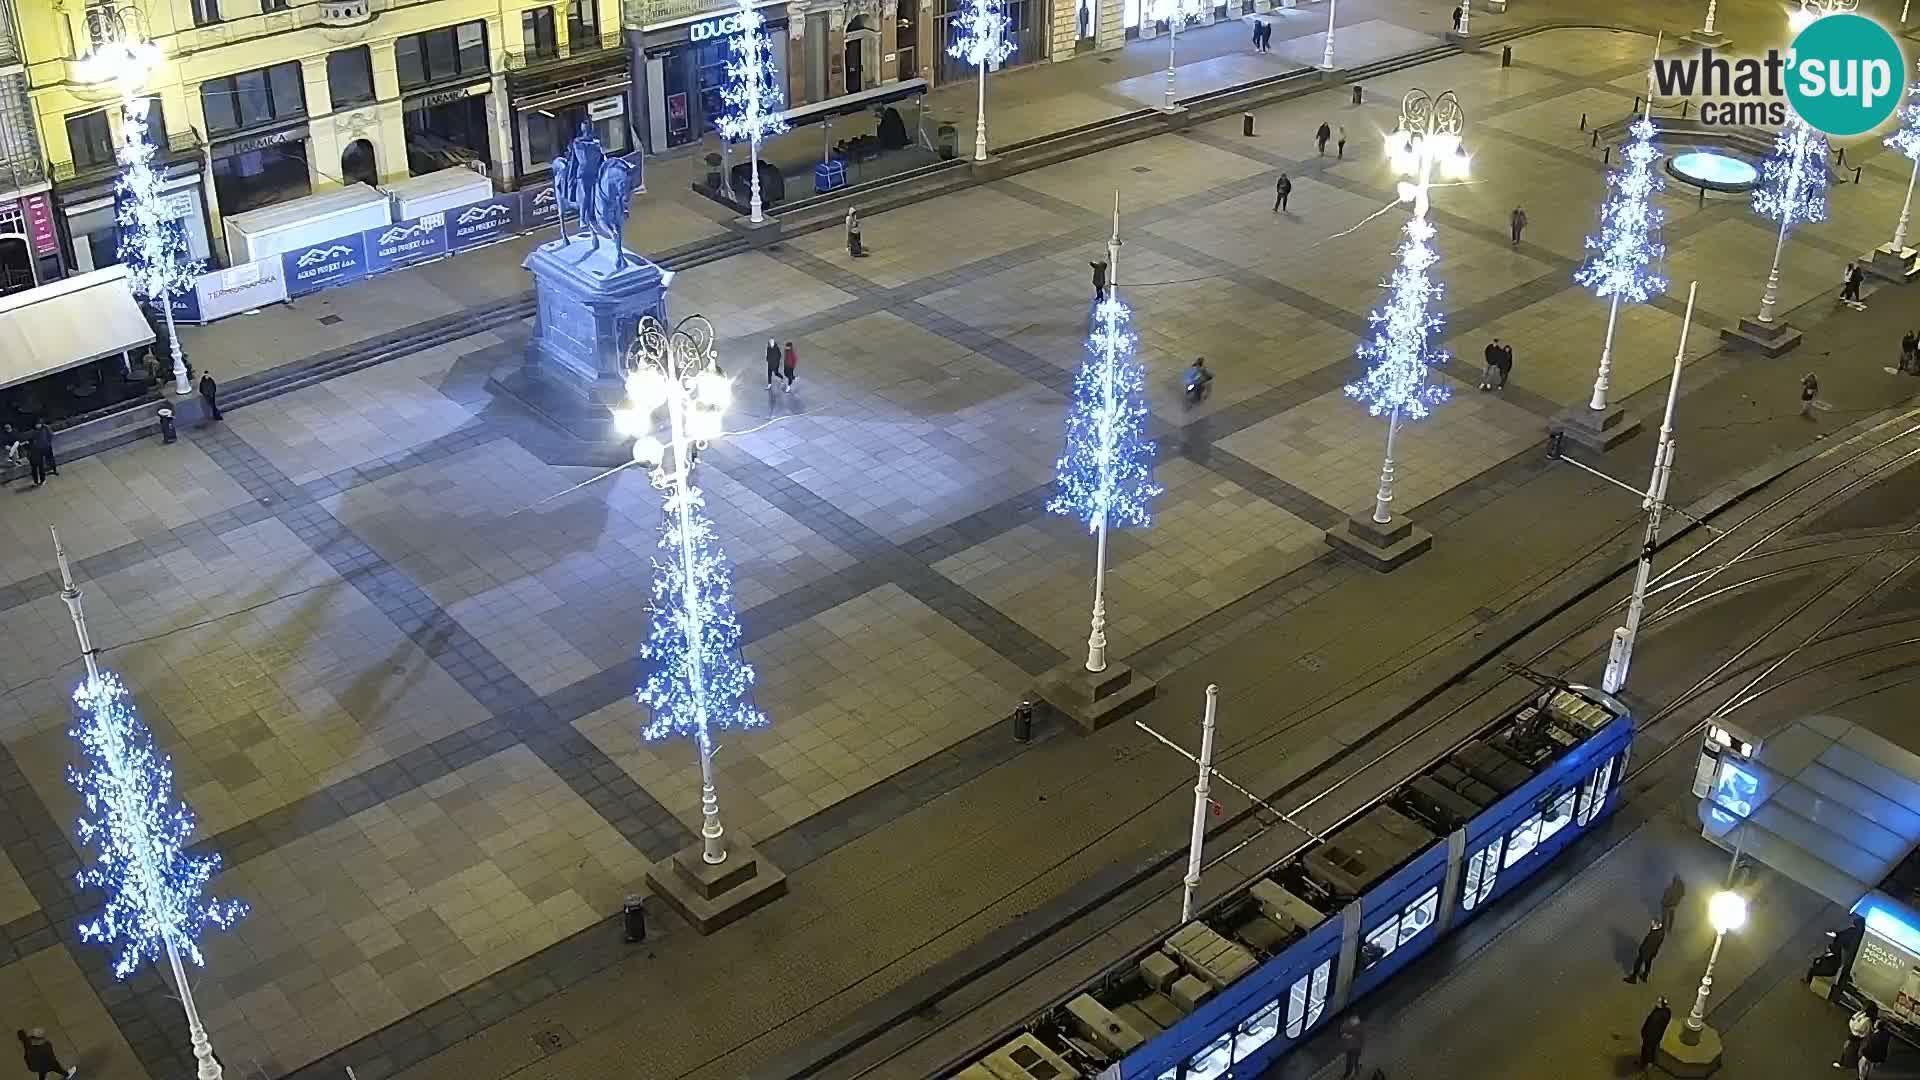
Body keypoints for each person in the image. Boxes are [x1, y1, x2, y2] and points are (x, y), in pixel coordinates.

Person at [1838, 1004, 1875, 1069]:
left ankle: (1844, 1062)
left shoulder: (1867, 1020)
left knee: (1849, 1048)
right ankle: (1846, 1062)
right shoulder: (1860, 1014)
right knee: (1850, 1048)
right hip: (1853, 1033)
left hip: (1857, 1036)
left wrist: (1860, 1035)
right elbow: (1853, 1019)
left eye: (1864, 1007)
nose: (1862, 1007)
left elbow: (1867, 1031)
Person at [1638, 997, 1671, 1069]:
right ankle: (1646, 1061)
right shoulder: (1666, 1011)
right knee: (1651, 1049)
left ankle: (1646, 1063)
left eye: (1658, 1002)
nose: (1656, 1003)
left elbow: (1651, 1027)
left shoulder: (1656, 1016)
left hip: (1650, 1037)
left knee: (1648, 1049)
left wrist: (1645, 1033)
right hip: (1656, 1036)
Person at [28, 421, 54, 487]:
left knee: (41, 466)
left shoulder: (45, 428)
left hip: (42, 449)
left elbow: (50, 435)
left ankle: (43, 479)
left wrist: (48, 443)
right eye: (37, 424)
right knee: (35, 468)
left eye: (39, 424)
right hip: (36, 452)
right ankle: (36, 481)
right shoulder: (33, 432)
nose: (38, 425)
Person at [1337, 1014, 1364, 1078]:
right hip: (1351, 1048)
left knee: (1354, 1060)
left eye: (1357, 1019)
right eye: (1355, 1019)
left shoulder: (1359, 1026)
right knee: (1350, 1061)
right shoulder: (1345, 1025)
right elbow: (1341, 1033)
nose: (1357, 1021)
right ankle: (1349, 1073)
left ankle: (1353, 1072)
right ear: (1351, 1019)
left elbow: (1361, 1037)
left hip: (1356, 1048)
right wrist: (1344, 1035)